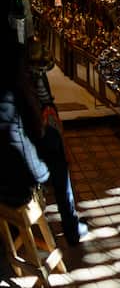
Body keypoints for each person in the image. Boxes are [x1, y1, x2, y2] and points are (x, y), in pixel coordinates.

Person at [1, 36, 87, 245]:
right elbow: (33, 132)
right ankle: (71, 226)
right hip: (12, 180)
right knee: (56, 154)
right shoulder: (15, 87)